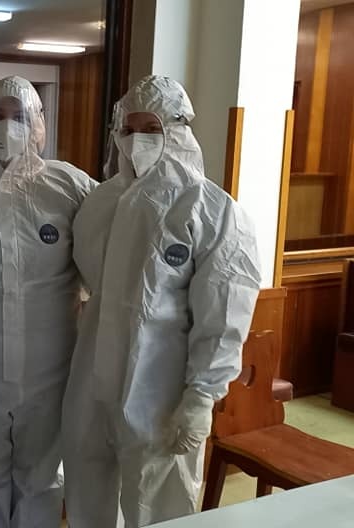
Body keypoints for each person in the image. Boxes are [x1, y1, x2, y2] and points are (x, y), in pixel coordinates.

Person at [60, 75, 262, 528]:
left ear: (178, 129)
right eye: (128, 129)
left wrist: (201, 396)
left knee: (159, 510)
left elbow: (223, 314)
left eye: (151, 128)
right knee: (87, 494)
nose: (137, 140)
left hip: (160, 393)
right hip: (91, 383)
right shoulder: (100, 203)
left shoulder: (211, 210)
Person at [0, 76, 96, 528]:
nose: (8, 126)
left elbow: (106, 258)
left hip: (51, 368)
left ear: (40, 125)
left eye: (21, 116)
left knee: (42, 478)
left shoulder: (70, 186)